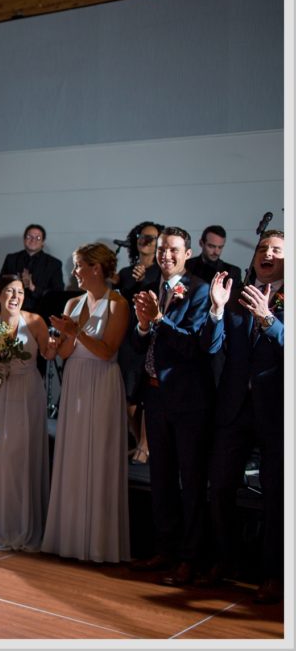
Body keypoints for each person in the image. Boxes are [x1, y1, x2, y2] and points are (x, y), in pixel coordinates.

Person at [199, 230, 283, 604]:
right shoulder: (233, 298)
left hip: (277, 410)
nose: (267, 253)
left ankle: (273, 575)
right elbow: (211, 346)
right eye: (263, 248)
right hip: (234, 407)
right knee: (218, 488)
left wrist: (268, 319)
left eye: (277, 250)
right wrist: (216, 309)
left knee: (278, 497)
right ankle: (226, 561)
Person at [127, 227, 211, 586]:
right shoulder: (150, 285)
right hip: (155, 395)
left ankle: (189, 559)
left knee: (190, 481)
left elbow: (193, 346)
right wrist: (144, 326)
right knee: (160, 478)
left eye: (173, 250)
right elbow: (137, 343)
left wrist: (159, 320)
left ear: (188, 253)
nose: (166, 256)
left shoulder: (200, 290)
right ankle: (164, 549)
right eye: (162, 250)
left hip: (188, 400)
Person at [40, 244, 130, 563]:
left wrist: (75, 331)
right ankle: (69, 537)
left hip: (103, 382)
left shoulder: (118, 304)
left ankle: (98, 543)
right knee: (74, 453)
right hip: (76, 380)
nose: (74, 272)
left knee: (99, 455)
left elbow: (107, 351)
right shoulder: (73, 302)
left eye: (79, 266)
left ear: (95, 268)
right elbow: (66, 353)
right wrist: (58, 341)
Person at [0, 274, 54, 552]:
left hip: (27, 393)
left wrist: (61, 338)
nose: (15, 296)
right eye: (9, 291)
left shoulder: (35, 321)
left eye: (19, 292)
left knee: (21, 456)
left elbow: (49, 355)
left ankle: (21, 526)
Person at [114, 221, 163, 465]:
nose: (145, 240)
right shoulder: (125, 273)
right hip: (129, 338)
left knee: (148, 394)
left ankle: (146, 446)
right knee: (128, 395)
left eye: (151, 238)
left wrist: (145, 281)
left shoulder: (160, 272)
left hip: (151, 338)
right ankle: (137, 442)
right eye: (142, 236)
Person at [0, 224, 65, 313]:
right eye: (29, 236)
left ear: (43, 242)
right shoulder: (11, 259)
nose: (33, 240)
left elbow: (58, 293)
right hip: (11, 309)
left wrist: (33, 287)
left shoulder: (54, 264)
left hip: (41, 311)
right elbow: (0, 286)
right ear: (24, 239)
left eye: (38, 238)